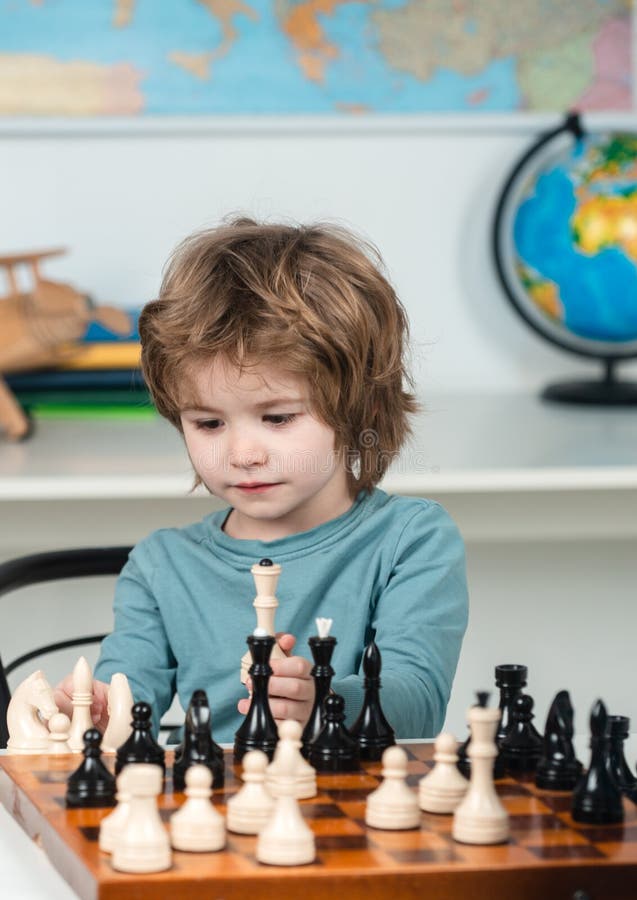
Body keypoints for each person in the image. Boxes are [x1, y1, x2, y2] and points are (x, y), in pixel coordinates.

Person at [54, 217, 468, 743]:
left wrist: (324, 699)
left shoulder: (411, 540)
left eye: (277, 418)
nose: (241, 454)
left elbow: (418, 703)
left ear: (360, 406)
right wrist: (96, 714)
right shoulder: (161, 566)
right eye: (207, 423)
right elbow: (130, 694)